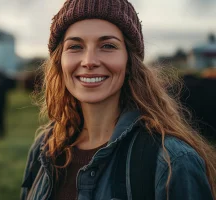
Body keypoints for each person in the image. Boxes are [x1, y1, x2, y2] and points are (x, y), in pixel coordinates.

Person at [20, 0, 216, 199]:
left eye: (107, 45)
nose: (89, 61)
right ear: (59, 60)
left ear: (129, 61)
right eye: (75, 46)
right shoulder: (45, 148)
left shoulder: (172, 163)